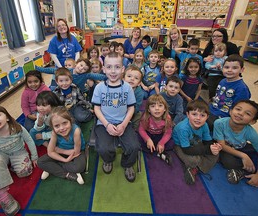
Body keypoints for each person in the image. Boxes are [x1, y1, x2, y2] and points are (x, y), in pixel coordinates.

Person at [91, 52, 140, 183]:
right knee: (103, 148)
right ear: (104, 69)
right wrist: (106, 124)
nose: (113, 71)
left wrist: (124, 124)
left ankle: (127, 164)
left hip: (124, 122)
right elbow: (96, 108)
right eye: (109, 67)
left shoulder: (128, 88)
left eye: (117, 67)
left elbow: (131, 108)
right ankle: (108, 160)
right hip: (104, 123)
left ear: (123, 69)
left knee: (134, 147)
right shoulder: (99, 88)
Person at [213, 100, 258, 187]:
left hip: (242, 147)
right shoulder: (219, 123)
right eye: (238, 109)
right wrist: (244, 156)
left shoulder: (251, 133)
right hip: (227, 150)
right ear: (230, 111)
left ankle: (257, 171)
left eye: (247, 114)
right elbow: (222, 146)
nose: (240, 113)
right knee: (228, 162)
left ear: (252, 121)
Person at [0, 106, 38, 216]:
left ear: (7, 118)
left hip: (18, 152)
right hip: (1, 155)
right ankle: (3, 197)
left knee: (25, 171)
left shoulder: (17, 127)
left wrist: (34, 157)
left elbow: (29, 140)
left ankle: (11, 167)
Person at [172, 100, 222, 185]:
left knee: (216, 153)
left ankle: (196, 166)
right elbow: (186, 150)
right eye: (194, 114)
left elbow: (207, 140)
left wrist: (214, 147)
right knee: (193, 160)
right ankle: (193, 167)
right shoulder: (183, 128)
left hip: (195, 143)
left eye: (202, 115)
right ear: (188, 115)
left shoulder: (205, 125)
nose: (198, 118)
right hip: (181, 146)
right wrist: (207, 149)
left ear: (207, 117)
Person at [37, 106, 86, 185]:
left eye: (65, 123)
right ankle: (67, 174)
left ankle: (52, 167)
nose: (62, 128)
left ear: (70, 121)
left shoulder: (76, 131)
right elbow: (50, 152)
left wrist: (58, 150)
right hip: (64, 152)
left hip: (77, 152)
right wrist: (65, 160)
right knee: (40, 162)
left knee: (79, 167)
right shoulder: (54, 132)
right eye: (57, 126)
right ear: (53, 127)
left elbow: (76, 152)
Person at [208, 54, 251, 131]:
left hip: (224, 117)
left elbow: (240, 109)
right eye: (226, 67)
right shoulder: (222, 80)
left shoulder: (241, 88)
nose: (230, 70)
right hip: (213, 109)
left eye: (234, 68)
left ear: (242, 70)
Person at [138, 94, 174, 165]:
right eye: (153, 106)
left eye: (160, 106)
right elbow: (141, 130)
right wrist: (148, 140)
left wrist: (161, 143)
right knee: (139, 142)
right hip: (149, 134)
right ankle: (158, 152)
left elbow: (168, 133)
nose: (157, 108)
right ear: (148, 110)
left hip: (159, 135)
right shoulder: (146, 117)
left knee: (171, 144)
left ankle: (158, 150)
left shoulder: (167, 118)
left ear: (164, 109)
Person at [35, 58, 106, 93]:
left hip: (78, 93)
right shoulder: (67, 71)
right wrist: (39, 69)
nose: (81, 68)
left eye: (84, 69)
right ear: (76, 63)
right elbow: (52, 70)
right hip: (66, 91)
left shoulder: (85, 75)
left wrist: (109, 76)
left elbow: (98, 76)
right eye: (81, 65)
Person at [47, 19, 82, 87]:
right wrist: (60, 68)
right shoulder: (54, 40)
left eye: (63, 25)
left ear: (67, 26)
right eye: (59, 26)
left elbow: (77, 51)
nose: (62, 27)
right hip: (60, 67)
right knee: (55, 87)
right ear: (57, 29)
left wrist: (75, 64)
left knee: (75, 84)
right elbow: (53, 55)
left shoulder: (72, 38)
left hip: (72, 67)